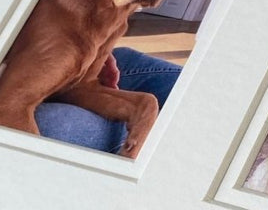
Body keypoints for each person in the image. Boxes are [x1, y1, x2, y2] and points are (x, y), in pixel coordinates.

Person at [33, 47, 181, 154]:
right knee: (51, 124)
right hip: (36, 105)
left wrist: (101, 48)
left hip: (89, 66)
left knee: (195, 89)